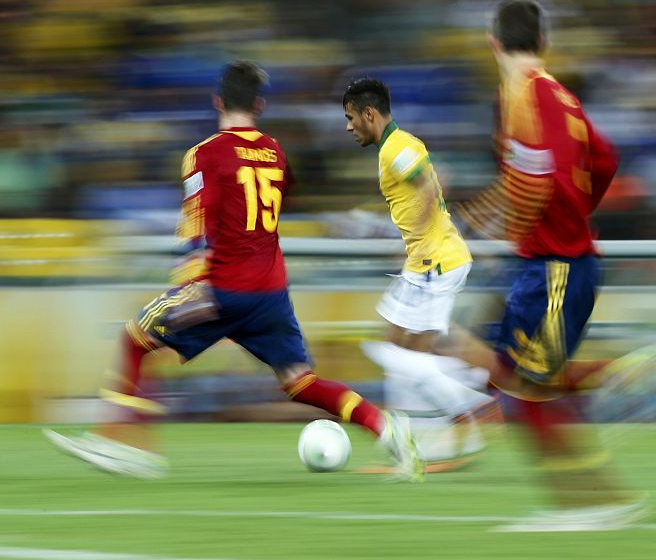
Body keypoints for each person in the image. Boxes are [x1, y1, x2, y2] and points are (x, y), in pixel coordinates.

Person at [44, 61, 424, 483]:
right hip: (270, 293)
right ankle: (385, 427)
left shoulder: (204, 154)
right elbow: (278, 203)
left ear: (217, 102)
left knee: (135, 339)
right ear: (259, 105)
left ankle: (125, 445)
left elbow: (196, 223)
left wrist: (190, 284)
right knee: (300, 381)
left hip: (222, 287)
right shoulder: (276, 151)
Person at [452, 0, 647, 530]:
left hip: (556, 267)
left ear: (493, 42)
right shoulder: (558, 94)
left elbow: (540, 182)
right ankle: (618, 382)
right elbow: (604, 159)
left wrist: (495, 221)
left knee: (524, 389)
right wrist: (571, 214)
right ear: (544, 42)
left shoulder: (524, 97)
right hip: (547, 264)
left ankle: (594, 504)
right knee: (509, 376)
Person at [342, 78, 496, 471]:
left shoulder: (396, 148)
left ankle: (468, 408)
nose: (348, 126)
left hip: (433, 265)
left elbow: (430, 184)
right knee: (397, 350)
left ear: (369, 114)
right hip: (428, 263)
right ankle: (420, 437)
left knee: (403, 357)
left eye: (351, 117)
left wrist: (422, 243)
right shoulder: (397, 146)